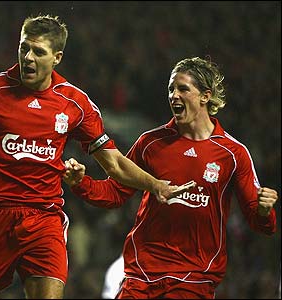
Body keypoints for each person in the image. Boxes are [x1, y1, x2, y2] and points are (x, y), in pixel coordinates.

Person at [0, 14, 192, 299]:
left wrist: (155, 185)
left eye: (38, 51)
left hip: (44, 217)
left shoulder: (74, 103)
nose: (28, 57)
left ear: (57, 57)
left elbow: (114, 163)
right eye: (24, 48)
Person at [63, 57, 279, 299]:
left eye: (183, 89)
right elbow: (114, 194)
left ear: (205, 96)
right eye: (171, 89)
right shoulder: (151, 144)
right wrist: (80, 183)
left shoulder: (233, 153)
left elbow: (262, 224)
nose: (174, 96)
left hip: (194, 279)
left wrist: (263, 210)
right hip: (142, 274)